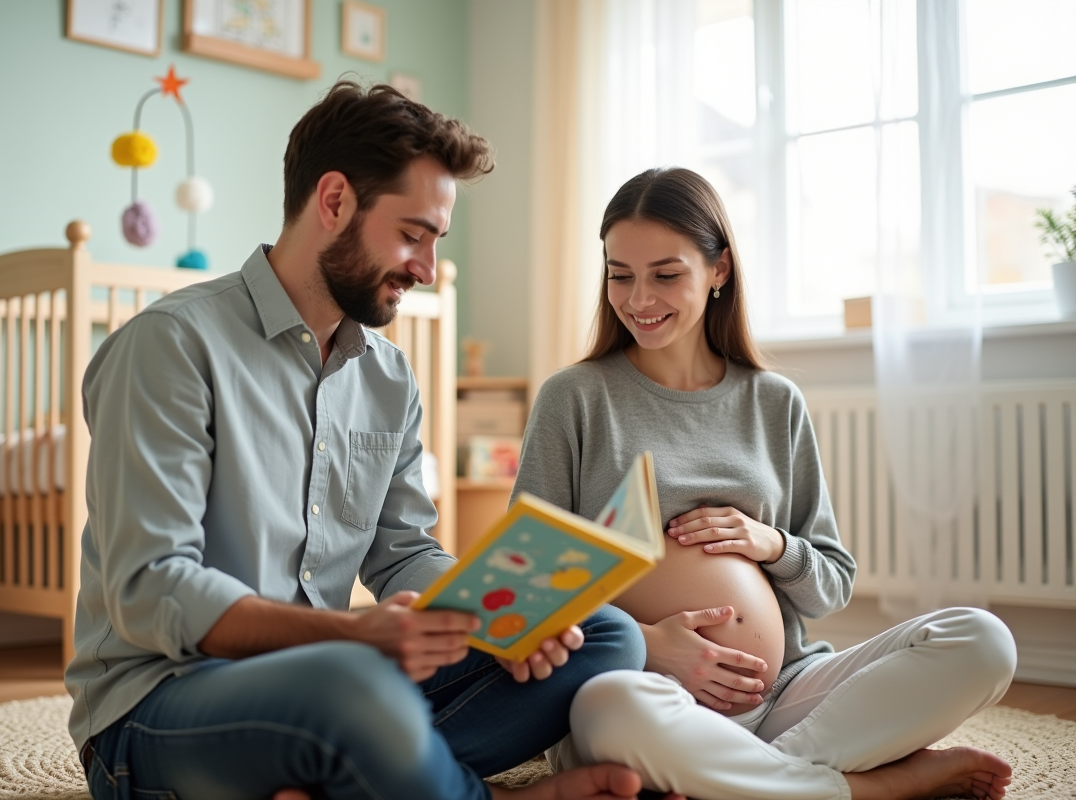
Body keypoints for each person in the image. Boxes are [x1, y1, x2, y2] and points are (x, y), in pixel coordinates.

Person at [64, 80, 648, 800]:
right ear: (334, 201)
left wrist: (503, 613)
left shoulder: (388, 377)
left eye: (436, 243)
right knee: (348, 692)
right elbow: (151, 591)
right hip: (158, 706)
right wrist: (351, 636)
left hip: (332, 683)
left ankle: (358, 774)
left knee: (606, 635)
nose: (426, 271)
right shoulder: (170, 346)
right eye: (413, 235)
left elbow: (402, 551)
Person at [512, 167, 1019, 800]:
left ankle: (750, 777)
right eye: (620, 275)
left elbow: (830, 582)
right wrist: (649, 646)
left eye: (666, 274)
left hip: (782, 695)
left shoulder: (774, 402)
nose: (639, 299)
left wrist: (771, 545)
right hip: (646, 690)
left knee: (982, 640)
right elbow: (525, 595)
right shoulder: (575, 398)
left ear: (719, 269)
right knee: (610, 706)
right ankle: (872, 788)